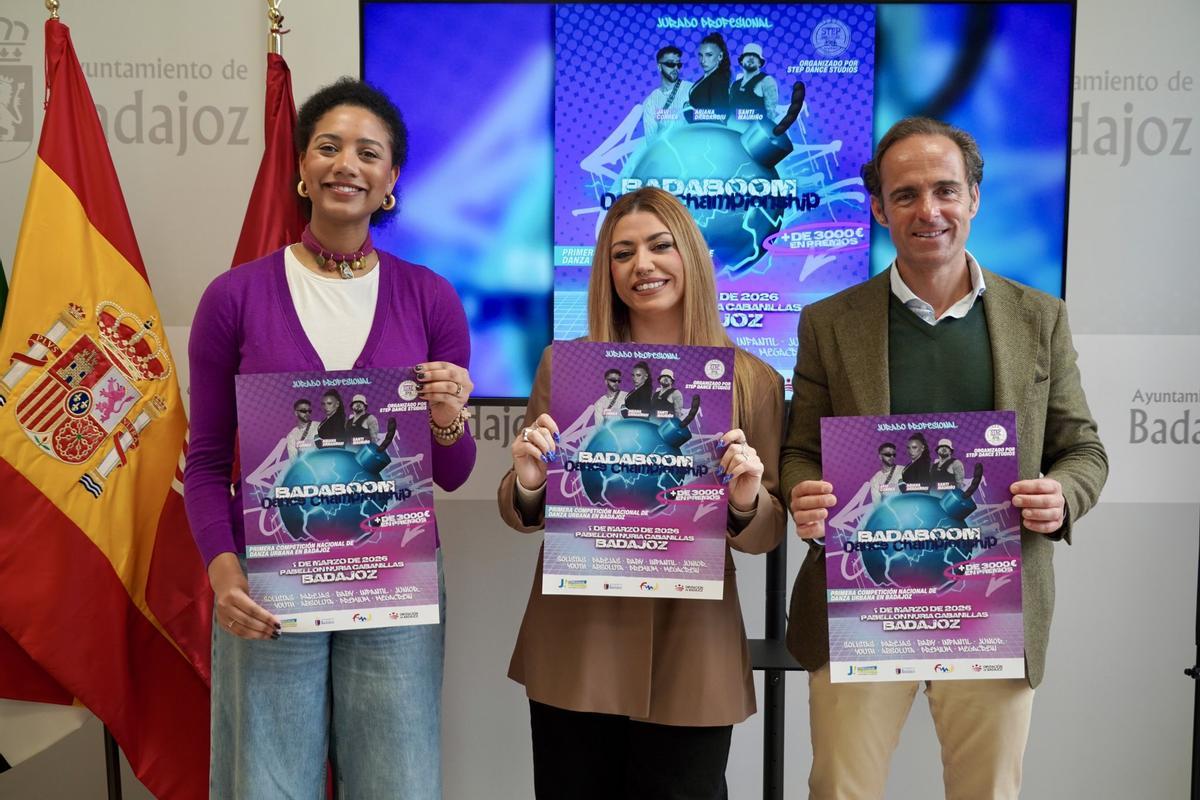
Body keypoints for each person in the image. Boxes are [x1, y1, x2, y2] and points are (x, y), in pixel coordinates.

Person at [781, 117, 1107, 800]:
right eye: (905, 195)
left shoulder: (1038, 318)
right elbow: (801, 449)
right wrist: (804, 489)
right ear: (878, 208)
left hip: (993, 602)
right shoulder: (829, 322)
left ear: (974, 198)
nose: (928, 211)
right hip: (862, 602)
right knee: (841, 789)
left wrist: (1060, 493)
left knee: (985, 792)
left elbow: (1081, 449)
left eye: (945, 190)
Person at [184, 77, 476, 799]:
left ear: (390, 182)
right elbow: (207, 462)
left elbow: (454, 470)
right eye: (329, 146)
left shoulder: (430, 296)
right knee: (268, 783)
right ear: (302, 168)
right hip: (270, 581)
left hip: (394, 582)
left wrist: (447, 416)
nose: (347, 163)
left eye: (368, 153)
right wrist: (225, 575)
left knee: (397, 783)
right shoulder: (235, 296)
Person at [499, 187, 785, 799]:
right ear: (606, 271)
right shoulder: (566, 366)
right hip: (578, 641)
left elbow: (766, 532)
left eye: (660, 246)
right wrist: (527, 480)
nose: (642, 266)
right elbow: (525, 510)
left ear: (693, 257)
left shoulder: (752, 378)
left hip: (693, 647)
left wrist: (746, 498)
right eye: (622, 253)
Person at [642, 45, 692, 138]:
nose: (676, 68)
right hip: (666, 151)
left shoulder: (691, 90)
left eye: (679, 65)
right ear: (659, 66)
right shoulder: (651, 100)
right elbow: (651, 139)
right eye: (671, 64)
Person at [729, 43, 779, 129]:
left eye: (755, 56)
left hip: (754, 136)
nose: (751, 57)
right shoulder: (735, 85)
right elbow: (729, 112)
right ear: (741, 61)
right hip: (734, 133)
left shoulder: (766, 81)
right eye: (747, 55)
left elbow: (771, 114)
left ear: (760, 63)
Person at [687, 32, 731, 124]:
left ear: (720, 56)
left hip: (709, 135)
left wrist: (688, 111)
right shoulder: (707, 77)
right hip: (699, 132)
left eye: (709, 55)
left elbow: (720, 116)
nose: (703, 60)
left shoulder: (718, 80)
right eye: (700, 55)